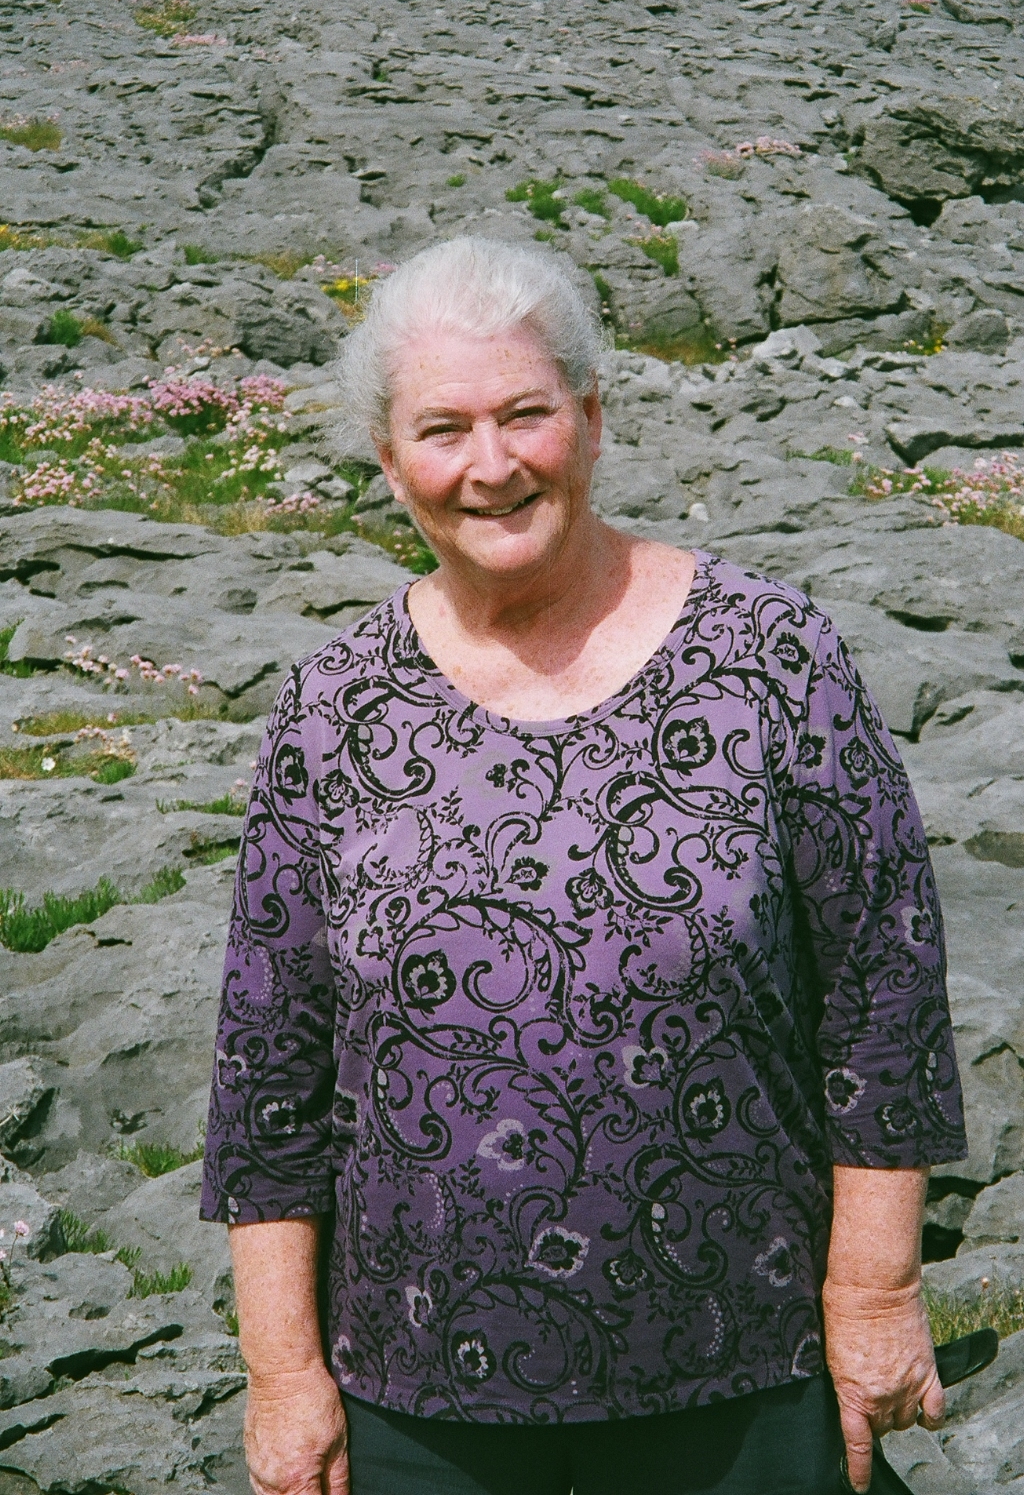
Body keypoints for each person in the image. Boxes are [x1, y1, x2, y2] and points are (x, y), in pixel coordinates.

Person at [200, 236, 967, 1495]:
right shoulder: (333, 707)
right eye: (442, 429)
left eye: (525, 414)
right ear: (389, 460)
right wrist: (282, 1372)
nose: (491, 464)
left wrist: (875, 1293)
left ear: (592, 418)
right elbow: (266, 1068)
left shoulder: (770, 656)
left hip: (745, 1363)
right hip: (416, 1395)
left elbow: (885, 994)